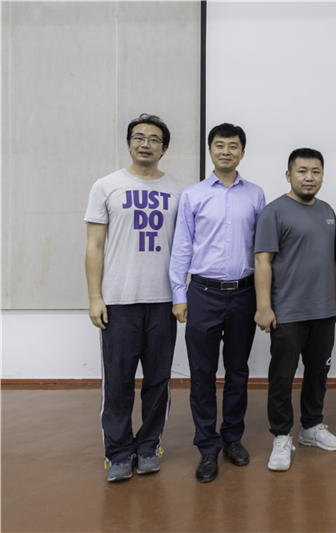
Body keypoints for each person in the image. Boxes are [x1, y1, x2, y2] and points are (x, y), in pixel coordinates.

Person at [84, 113, 185, 482]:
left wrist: (181, 294)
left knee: (158, 381)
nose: (146, 143)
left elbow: (184, 249)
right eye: (139, 137)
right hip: (119, 301)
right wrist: (95, 297)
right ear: (129, 144)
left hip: (163, 302)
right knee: (118, 381)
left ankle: (148, 446)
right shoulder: (106, 186)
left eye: (154, 139)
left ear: (164, 148)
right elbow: (94, 245)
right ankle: (118, 452)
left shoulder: (179, 192)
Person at [169, 123, 265, 483]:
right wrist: (179, 294)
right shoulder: (193, 195)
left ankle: (232, 438)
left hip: (243, 293)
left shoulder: (255, 195)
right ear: (210, 150)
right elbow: (182, 245)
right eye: (220, 145)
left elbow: (262, 251)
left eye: (233, 146)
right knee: (202, 374)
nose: (226, 151)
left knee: (238, 370)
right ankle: (207, 447)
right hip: (203, 294)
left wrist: (264, 298)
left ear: (243, 152)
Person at [254, 148, 336, 471]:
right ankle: (281, 435)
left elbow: (334, 260)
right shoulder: (274, 211)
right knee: (282, 376)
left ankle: (311, 427)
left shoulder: (328, 211)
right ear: (288, 175)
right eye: (302, 171)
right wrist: (263, 307)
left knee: (318, 373)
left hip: (323, 311)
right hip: (287, 312)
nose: (309, 177)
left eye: (315, 171)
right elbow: (262, 260)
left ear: (322, 175)